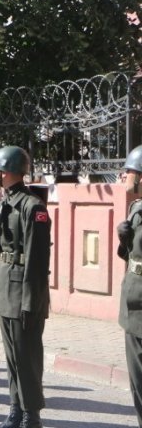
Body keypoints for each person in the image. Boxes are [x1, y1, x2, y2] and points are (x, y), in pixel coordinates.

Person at [0, 146, 51, 428]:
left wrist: (29, 301)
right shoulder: (5, 203)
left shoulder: (32, 207)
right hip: (7, 288)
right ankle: (16, 408)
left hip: (24, 292)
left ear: (7, 171)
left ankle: (31, 414)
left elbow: (37, 261)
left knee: (28, 356)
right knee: (12, 355)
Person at [119, 145, 142, 428]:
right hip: (134, 301)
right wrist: (123, 240)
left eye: (130, 171)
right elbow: (132, 256)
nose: (125, 176)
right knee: (137, 379)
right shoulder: (136, 208)